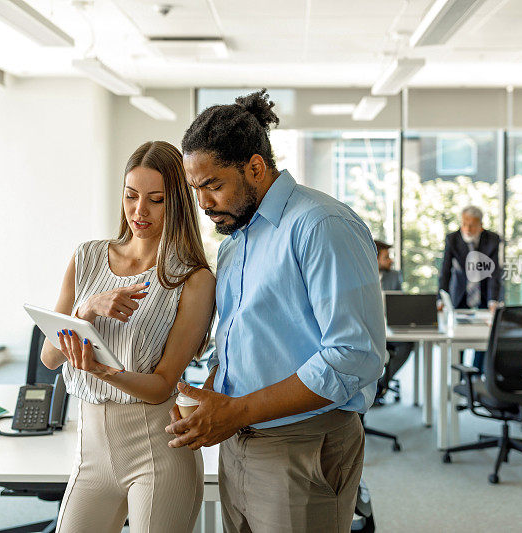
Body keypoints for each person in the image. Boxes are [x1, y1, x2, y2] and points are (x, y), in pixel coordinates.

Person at [165, 89, 387, 533]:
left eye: (213, 185)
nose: (204, 203)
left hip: (303, 445)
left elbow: (354, 356)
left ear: (255, 167)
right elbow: (240, 343)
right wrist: (208, 398)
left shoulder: (321, 225)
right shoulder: (236, 243)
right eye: (197, 189)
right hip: (240, 439)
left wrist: (238, 410)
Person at [41, 141, 216, 533]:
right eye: (131, 196)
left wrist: (104, 371)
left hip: (157, 450)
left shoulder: (192, 278)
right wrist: (83, 311)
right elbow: (50, 357)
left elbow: (160, 387)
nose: (140, 211)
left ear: (177, 203)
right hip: (91, 451)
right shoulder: (86, 257)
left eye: (156, 199)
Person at [439, 205, 503, 371]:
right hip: (460, 294)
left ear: (480, 226)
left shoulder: (493, 240)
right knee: (457, 338)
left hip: (483, 294)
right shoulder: (452, 239)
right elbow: (445, 271)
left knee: (483, 338)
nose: (467, 228)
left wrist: (493, 300)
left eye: (472, 225)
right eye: (464, 223)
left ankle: (475, 375)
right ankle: (459, 376)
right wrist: (441, 298)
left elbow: (495, 273)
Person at [374, 240, 412, 403]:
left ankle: (381, 385)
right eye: (386, 257)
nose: (391, 260)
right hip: (368, 329)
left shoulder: (394, 275)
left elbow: (400, 303)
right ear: (374, 259)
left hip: (390, 325)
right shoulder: (360, 276)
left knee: (407, 343)